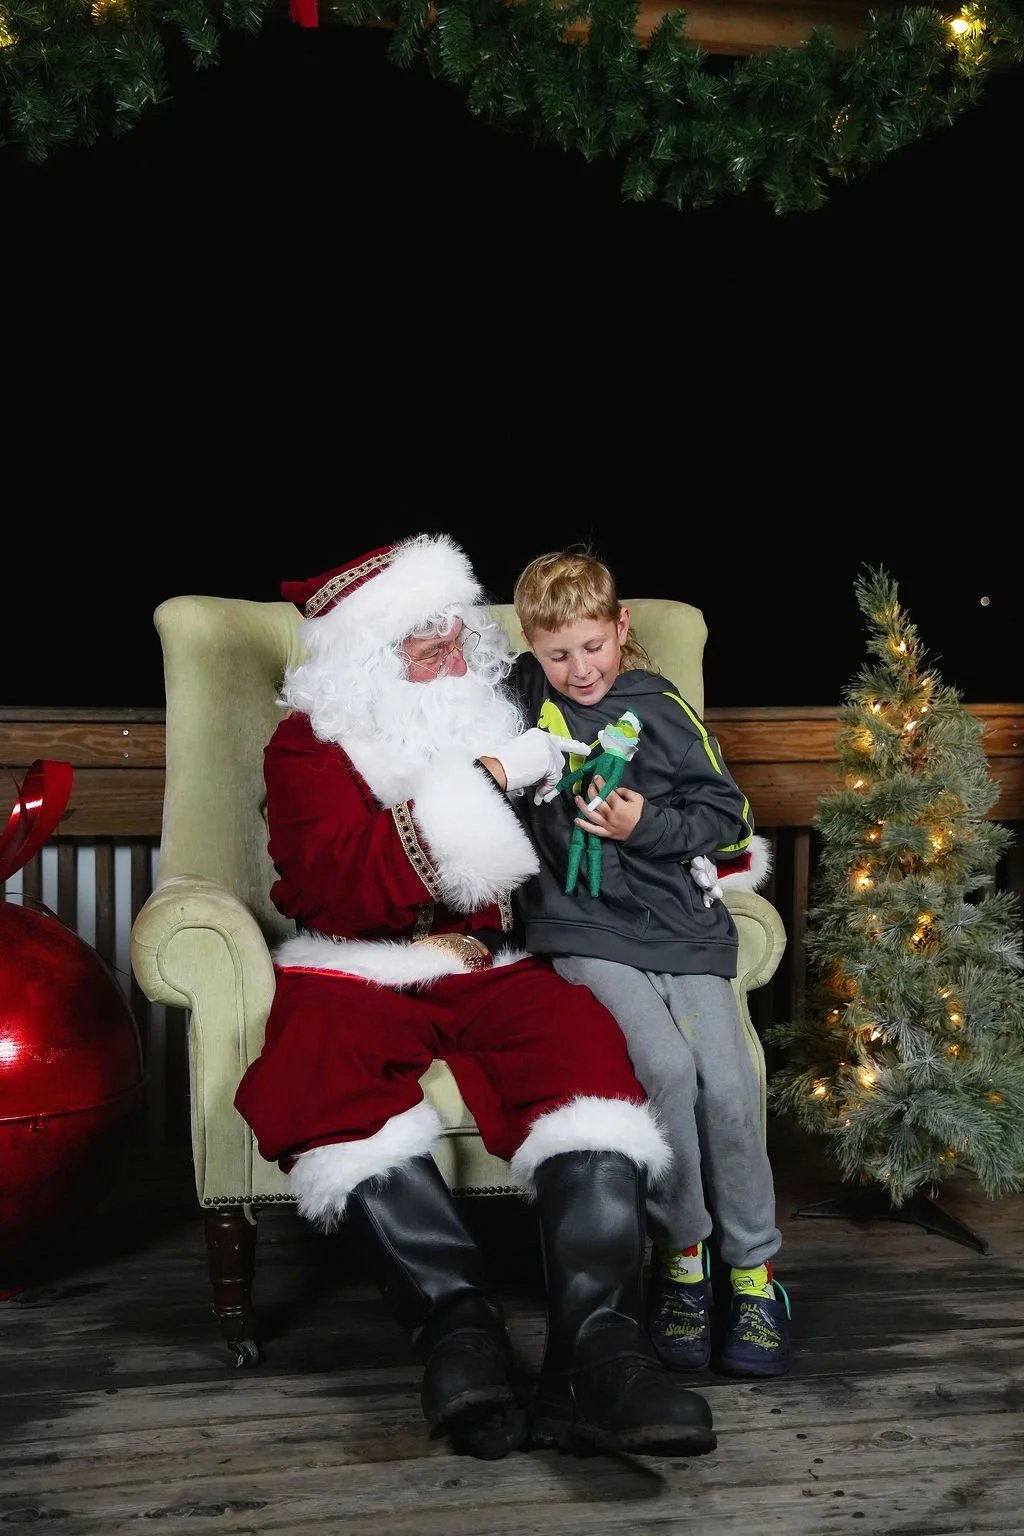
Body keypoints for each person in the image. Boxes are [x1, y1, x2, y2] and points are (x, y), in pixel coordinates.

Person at [232, 532, 718, 1462]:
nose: (453, 652)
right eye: (425, 642)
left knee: (587, 1057)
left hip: (495, 962)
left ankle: (599, 1354)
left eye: (457, 630)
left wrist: (688, 852)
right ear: (365, 658)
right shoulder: (308, 748)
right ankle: (460, 1330)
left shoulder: (499, 715)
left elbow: (616, 787)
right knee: (316, 1072)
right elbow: (339, 882)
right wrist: (485, 783)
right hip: (362, 963)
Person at [506, 547, 791, 1380]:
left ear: (620, 627)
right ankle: (683, 1259)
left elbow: (731, 818)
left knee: (726, 1085)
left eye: (593, 646)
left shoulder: (660, 707)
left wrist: (648, 827)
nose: (579, 669)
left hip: (682, 929)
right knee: (663, 1069)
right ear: (531, 647)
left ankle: (754, 1274)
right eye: (558, 653)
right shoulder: (519, 702)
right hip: (582, 931)